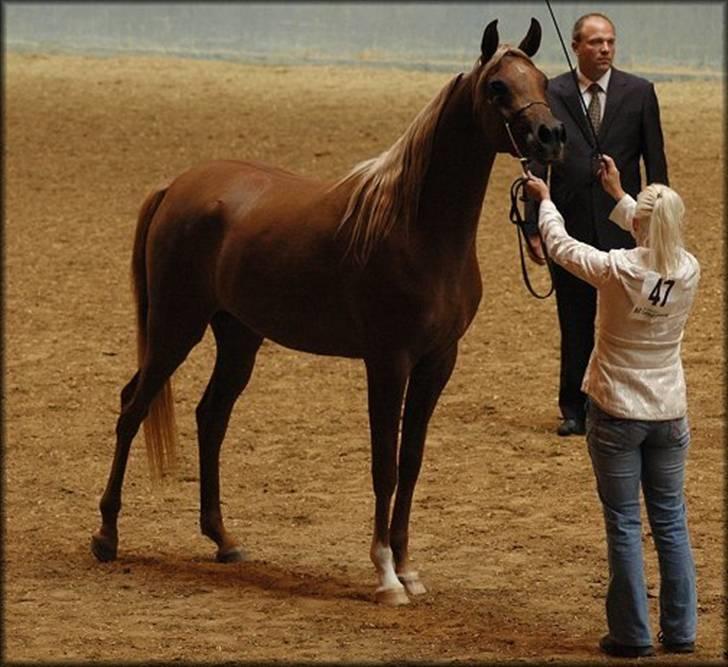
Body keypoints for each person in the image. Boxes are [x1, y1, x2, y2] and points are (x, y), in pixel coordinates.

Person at [525, 155, 699, 658]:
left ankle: (631, 634)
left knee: (623, 522)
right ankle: (681, 629)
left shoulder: (618, 268)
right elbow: (654, 232)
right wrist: (620, 194)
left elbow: (561, 248)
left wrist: (547, 203)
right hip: (669, 410)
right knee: (670, 520)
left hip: (617, 409)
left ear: (641, 225)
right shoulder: (689, 270)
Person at [525, 12, 669, 436]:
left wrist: (657, 225)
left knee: (621, 322)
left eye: (609, 41)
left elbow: (655, 163)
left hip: (624, 227)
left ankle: (618, 402)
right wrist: (533, 226)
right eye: (594, 42)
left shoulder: (640, 92)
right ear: (575, 47)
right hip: (567, 225)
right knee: (574, 319)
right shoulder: (551, 91)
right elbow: (537, 162)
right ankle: (574, 407)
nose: (604, 49)